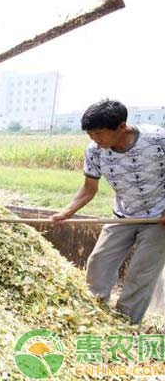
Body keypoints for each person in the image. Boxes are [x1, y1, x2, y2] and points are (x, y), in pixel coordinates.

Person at [51, 99, 165, 324]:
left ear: (122, 127)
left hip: (158, 218)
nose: (95, 140)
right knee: (98, 262)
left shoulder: (158, 140)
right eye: (91, 135)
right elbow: (88, 188)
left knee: (140, 274)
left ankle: (125, 323)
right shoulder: (95, 150)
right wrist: (66, 213)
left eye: (99, 134)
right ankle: (95, 313)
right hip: (122, 214)